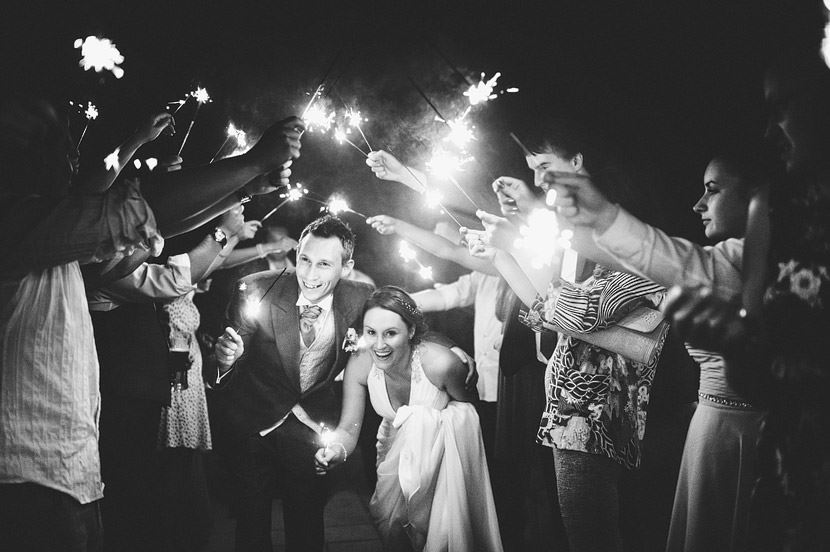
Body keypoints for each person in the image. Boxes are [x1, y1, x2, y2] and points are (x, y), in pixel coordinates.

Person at [543, 149, 767, 551]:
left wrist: (600, 219)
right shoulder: (731, 258)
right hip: (599, 416)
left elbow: (570, 314)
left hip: (601, 419)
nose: (699, 204)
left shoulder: (658, 272)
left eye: (713, 190)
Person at [468, 118, 670, 552]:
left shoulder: (629, 241)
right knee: (582, 533)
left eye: (544, 166)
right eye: (532, 170)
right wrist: (502, 255)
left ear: (578, 161)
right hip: (569, 407)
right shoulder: (575, 240)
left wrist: (517, 242)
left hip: (599, 412)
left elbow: (579, 311)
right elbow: (549, 311)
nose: (539, 180)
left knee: (601, 536)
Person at [661, 49, 830, 551]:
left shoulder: (740, 248)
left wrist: (600, 221)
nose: (770, 132)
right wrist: (734, 342)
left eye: (783, 107)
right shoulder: (780, 216)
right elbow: (759, 377)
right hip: (780, 453)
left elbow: (664, 258)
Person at [0, 96, 162, 552]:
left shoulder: (55, 240)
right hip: (27, 480)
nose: (74, 155)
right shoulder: (17, 223)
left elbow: (100, 208)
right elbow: (117, 210)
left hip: (71, 472)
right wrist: (252, 165)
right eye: (60, 142)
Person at [212, 215, 375, 552]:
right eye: (304, 259)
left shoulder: (361, 297)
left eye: (324, 264)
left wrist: (450, 349)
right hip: (254, 422)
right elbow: (231, 357)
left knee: (307, 523)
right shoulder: (257, 288)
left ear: (346, 268)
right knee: (251, 526)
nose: (310, 274)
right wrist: (227, 359)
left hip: (312, 426)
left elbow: (400, 326)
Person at [314, 286, 503, 552]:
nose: (379, 345)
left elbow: (472, 417)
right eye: (371, 333)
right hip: (392, 456)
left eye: (390, 333)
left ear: (411, 331)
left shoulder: (442, 365)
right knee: (392, 527)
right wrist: (336, 451)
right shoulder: (360, 364)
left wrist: (434, 432)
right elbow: (349, 427)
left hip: (445, 465)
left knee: (442, 536)